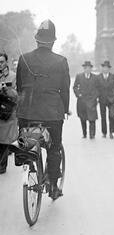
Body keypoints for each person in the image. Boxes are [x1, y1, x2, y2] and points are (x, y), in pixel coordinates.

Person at [16, 19, 70, 199]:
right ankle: (52, 184)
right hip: (52, 114)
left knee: (26, 142)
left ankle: (29, 164)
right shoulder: (61, 61)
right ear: (53, 41)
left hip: (27, 112)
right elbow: (65, 90)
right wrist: (65, 109)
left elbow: (19, 87)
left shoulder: (23, 59)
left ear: (36, 40)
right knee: (54, 147)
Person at [0, 52, 18, 174]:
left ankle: (2, 166)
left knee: (3, 140)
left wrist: (6, 90)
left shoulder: (13, 76)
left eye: (1, 62)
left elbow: (17, 95)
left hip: (6, 111)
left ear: (6, 62)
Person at [73, 61, 99, 139]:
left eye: (89, 68)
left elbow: (98, 88)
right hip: (82, 101)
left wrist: (95, 96)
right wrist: (78, 94)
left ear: (91, 69)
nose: (88, 70)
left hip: (92, 100)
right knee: (83, 118)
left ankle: (92, 134)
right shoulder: (79, 76)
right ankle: (84, 134)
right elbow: (75, 87)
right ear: (84, 69)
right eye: (86, 68)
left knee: (92, 118)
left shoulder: (95, 77)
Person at [97, 60, 114, 139]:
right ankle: (104, 132)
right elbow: (96, 88)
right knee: (103, 117)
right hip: (102, 99)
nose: (105, 69)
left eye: (107, 68)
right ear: (102, 68)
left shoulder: (112, 76)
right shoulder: (98, 77)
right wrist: (97, 96)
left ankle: (111, 132)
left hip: (111, 99)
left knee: (111, 116)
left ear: (109, 69)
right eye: (104, 67)